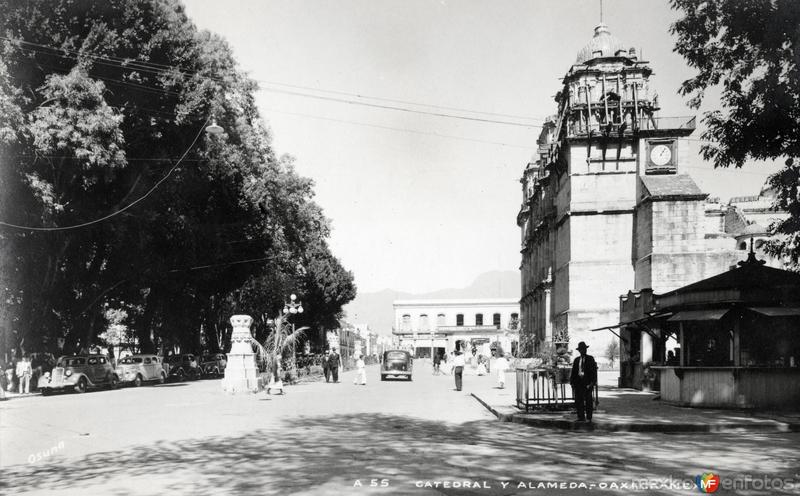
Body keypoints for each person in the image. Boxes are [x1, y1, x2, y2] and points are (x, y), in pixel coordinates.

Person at [569, 341, 598, 422]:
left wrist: (592, 383)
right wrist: (572, 382)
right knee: (579, 400)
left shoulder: (590, 359)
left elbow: (593, 371)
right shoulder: (576, 360)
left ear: (586, 350)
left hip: (587, 383)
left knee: (588, 400)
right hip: (578, 383)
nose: (583, 351)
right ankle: (581, 417)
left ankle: (589, 418)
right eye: (581, 349)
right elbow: (574, 372)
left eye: (584, 349)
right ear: (579, 351)